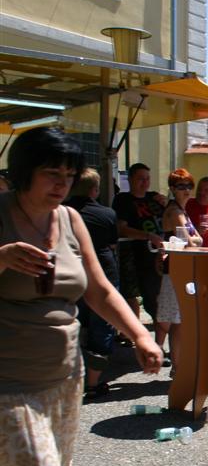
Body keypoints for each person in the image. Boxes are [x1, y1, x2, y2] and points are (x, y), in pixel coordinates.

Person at [0, 126, 163, 466]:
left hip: (62, 382)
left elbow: (97, 288)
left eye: (68, 176)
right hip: (6, 384)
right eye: (52, 174)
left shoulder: (70, 219)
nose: (61, 185)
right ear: (23, 171)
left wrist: (139, 334)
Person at [65, 168, 120, 400]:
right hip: (103, 273)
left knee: (75, 323)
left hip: (72, 274)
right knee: (103, 325)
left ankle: (72, 378)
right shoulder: (106, 214)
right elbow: (112, 244)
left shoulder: (60, 213)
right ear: (95, 189)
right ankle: (93, 382)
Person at [156, 169, 203, 377]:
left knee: (178, 321)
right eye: (181, 186)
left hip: (182, 270)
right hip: (176, 271)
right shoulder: (175, 212)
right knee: (177, 322)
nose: (186, 191)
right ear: (173, 189)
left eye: (189, 186)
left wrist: (195, 241)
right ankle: (176, 367)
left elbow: (197, 240)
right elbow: (192, 241)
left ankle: (176, 365)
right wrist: (194, 241)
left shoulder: (183, 211)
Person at [112, 162, 164, 325]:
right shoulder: (123, 200)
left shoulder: (154, 198)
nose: (145, 182)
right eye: (141, 179)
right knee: (137, 295)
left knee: (158, 295)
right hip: (136, 254)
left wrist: (166, 203)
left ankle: (163, 329)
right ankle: (135, 332)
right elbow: (121, 228)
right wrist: (148, 236)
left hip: (159, 254)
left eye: (147, 179)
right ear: (131, 179)